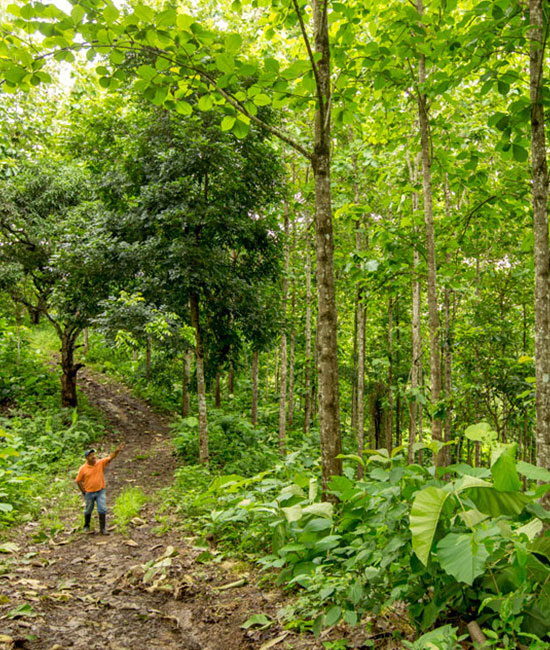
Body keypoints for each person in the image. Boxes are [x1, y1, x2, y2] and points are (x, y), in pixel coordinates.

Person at [75, 443, 124, 534]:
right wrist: (83, 491)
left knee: (102, 509)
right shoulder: (83, 468)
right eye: (90, 456)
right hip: (89, 492)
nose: (93, 457)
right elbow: (78, 480)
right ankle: (86, 525)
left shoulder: (100, 463)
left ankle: (102, 529)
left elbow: (110, 457)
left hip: (100, 491)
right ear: (87, 458)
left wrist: (117, 450)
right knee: (89, 509)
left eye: (94, 455)